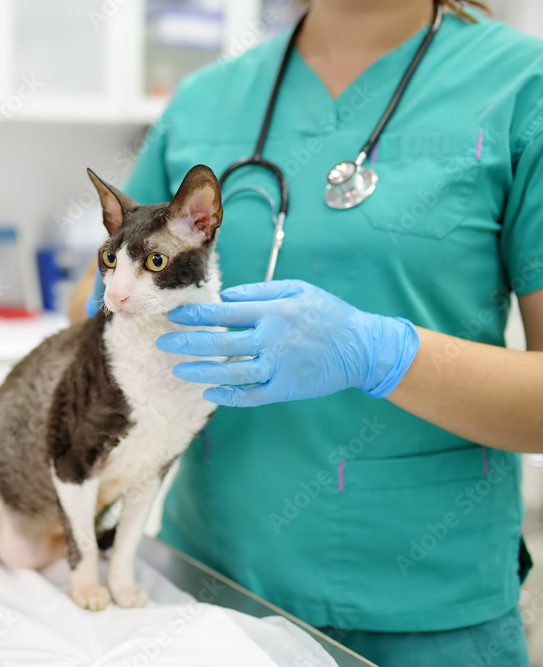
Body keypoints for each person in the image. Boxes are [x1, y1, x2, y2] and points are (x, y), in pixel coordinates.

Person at [68, 1, 543, 665]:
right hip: (207, 583)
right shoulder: (205, 99)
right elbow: (88, 312)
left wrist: (383, 354)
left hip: (427, 604)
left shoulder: (524, 85)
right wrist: (112, 305)